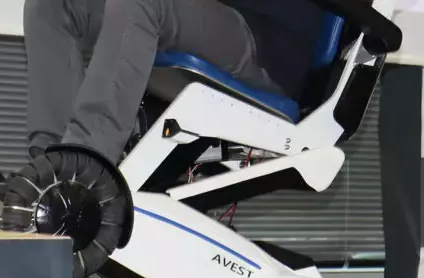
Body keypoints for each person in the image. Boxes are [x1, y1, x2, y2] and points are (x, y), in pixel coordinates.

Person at [23, 0, 325, 164]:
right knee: (52, 6)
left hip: (268, 40)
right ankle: (49, 164)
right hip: (208, 13)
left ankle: (84, 161)